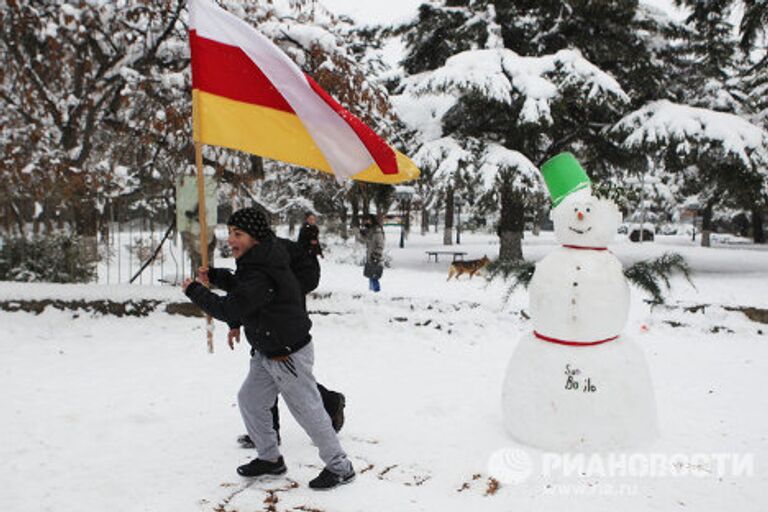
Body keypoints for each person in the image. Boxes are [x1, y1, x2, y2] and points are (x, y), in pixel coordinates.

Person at [183, 208, 355, 490]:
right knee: (250, 399)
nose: (231, 240)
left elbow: (232, 306)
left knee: (308, 411)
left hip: (287, 353)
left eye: (238, 234)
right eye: (229, 233)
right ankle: (270, 458)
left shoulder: (263, 270)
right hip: (267, 349)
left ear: (255, 236)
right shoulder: (257, 260)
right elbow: (243, 287)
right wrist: (216, 276)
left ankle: (340, 467)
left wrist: (195, 291)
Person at [360, 214, 385, 292]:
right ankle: (372, 293)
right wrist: (363, 234)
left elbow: (380, 244)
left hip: (376, 257)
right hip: (370, 256)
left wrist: (376, 255)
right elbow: (365, 241)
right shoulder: (371, 230)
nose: (366, 222)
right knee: (371, 276)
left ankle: (376, 294)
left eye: (368, 220)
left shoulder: (377, 231)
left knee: (374, 277)